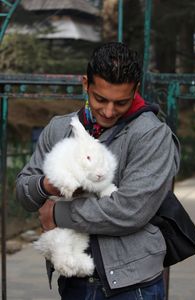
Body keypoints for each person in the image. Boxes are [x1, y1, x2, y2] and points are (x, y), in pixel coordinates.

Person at [16, 42, 180, 300]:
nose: (109, 111)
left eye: (121, 102)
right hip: (74, 282)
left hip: (134, 286)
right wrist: (46, 186)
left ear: (136, 90)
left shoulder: (152, 135)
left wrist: (57, 212)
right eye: (100, 99)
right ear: (85, 84)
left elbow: (130, 211)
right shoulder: (59, 129)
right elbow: (23, 191)